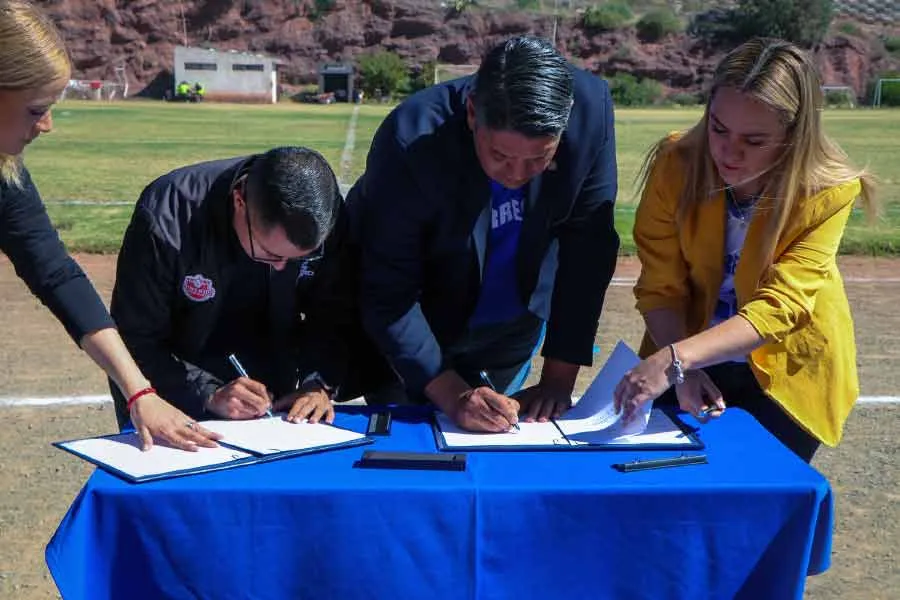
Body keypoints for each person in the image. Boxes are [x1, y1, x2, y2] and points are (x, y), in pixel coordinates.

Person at [613, 38, 877, 462]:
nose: (728, 152)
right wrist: (685, 367)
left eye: (754, 141)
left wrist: (675, 360)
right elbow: (661, 286)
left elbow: (781, 305)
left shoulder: (828, 190)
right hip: (687, 350)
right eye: (718, 128)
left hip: (786, 375)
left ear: (795, 135)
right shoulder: (675, 163)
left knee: (759, 505)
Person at [347, 36, 619, 432]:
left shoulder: (591, 110)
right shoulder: (412, 138)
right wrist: (454, 395)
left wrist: (559, 378)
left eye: (539, 159)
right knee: (417, 454)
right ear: (473, 112)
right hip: (420, 330)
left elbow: (588, 250)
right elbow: (388, 288)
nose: (516, 175)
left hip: (511, 328)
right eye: (501, 156)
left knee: (491, 440)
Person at [0, 0, 219, 452]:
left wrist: (139, 391)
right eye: (36, 108)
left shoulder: (6, 173)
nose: (48, 125)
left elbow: (55, 272)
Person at [110, 146, 379, 430]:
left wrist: (318, 382)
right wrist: (207, 393)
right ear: (240, 201)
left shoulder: (325, 218)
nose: (281, 267)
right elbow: (134, 336)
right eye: (272, 255)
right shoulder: (168, 217)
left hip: (267, 393)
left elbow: (333, 310)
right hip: (170, 391)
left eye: (300, 259)